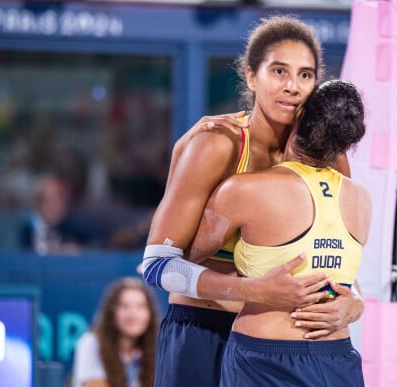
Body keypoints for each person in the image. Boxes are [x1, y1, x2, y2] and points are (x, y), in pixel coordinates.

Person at [142, 16, 364, 387]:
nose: (292, 87)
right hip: (204, 331)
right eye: (279, 71)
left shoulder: (332, 158)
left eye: (305, 75)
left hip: (283, 345)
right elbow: (156, 266)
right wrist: (250, 290)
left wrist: (352, 302)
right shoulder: (219, 145)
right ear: (250, 77)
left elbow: (334, 262)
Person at [182, 79, 370, 386]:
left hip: (264, 357)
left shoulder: (245, 190)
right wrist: (356, 303)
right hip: (336, 355)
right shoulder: (361, 199)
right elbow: (339, 275)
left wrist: (184, 155)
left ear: (297, 119)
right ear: (347, 143)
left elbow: (176, 261)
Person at [72, 277, 160, 387]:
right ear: (112, 312)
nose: (133, 314)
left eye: (141, 307)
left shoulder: (156, 350)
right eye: (124, 306)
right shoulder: (91, 343)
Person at [19, 174, 99, 254]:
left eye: (61, 201)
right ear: (38, 204)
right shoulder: (27, 229)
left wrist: (77, 249)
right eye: (50, 201)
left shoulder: (76, 227)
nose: (56, 207)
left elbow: (96, 246)